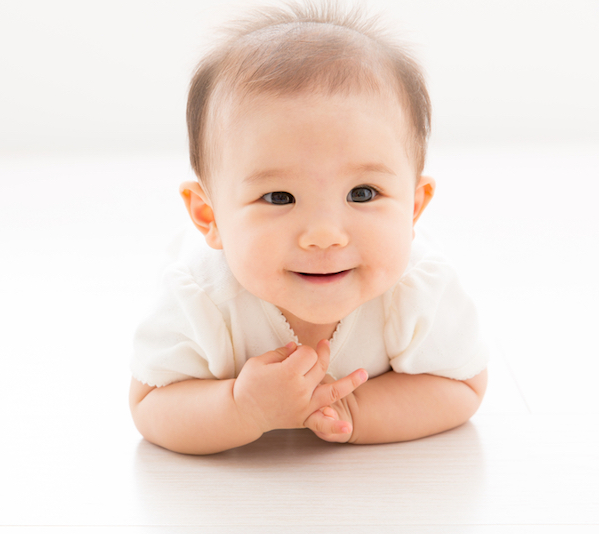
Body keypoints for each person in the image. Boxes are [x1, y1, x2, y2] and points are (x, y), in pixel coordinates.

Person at [129, 1, 488, 455]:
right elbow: (150, 402)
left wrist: (353, 409)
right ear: (209, 216)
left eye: (362, 193)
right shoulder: (201, 297)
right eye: (279, 197)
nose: (324, 234)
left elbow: (463, 383)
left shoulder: (417, 290)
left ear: (413, 208)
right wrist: (241, 408)